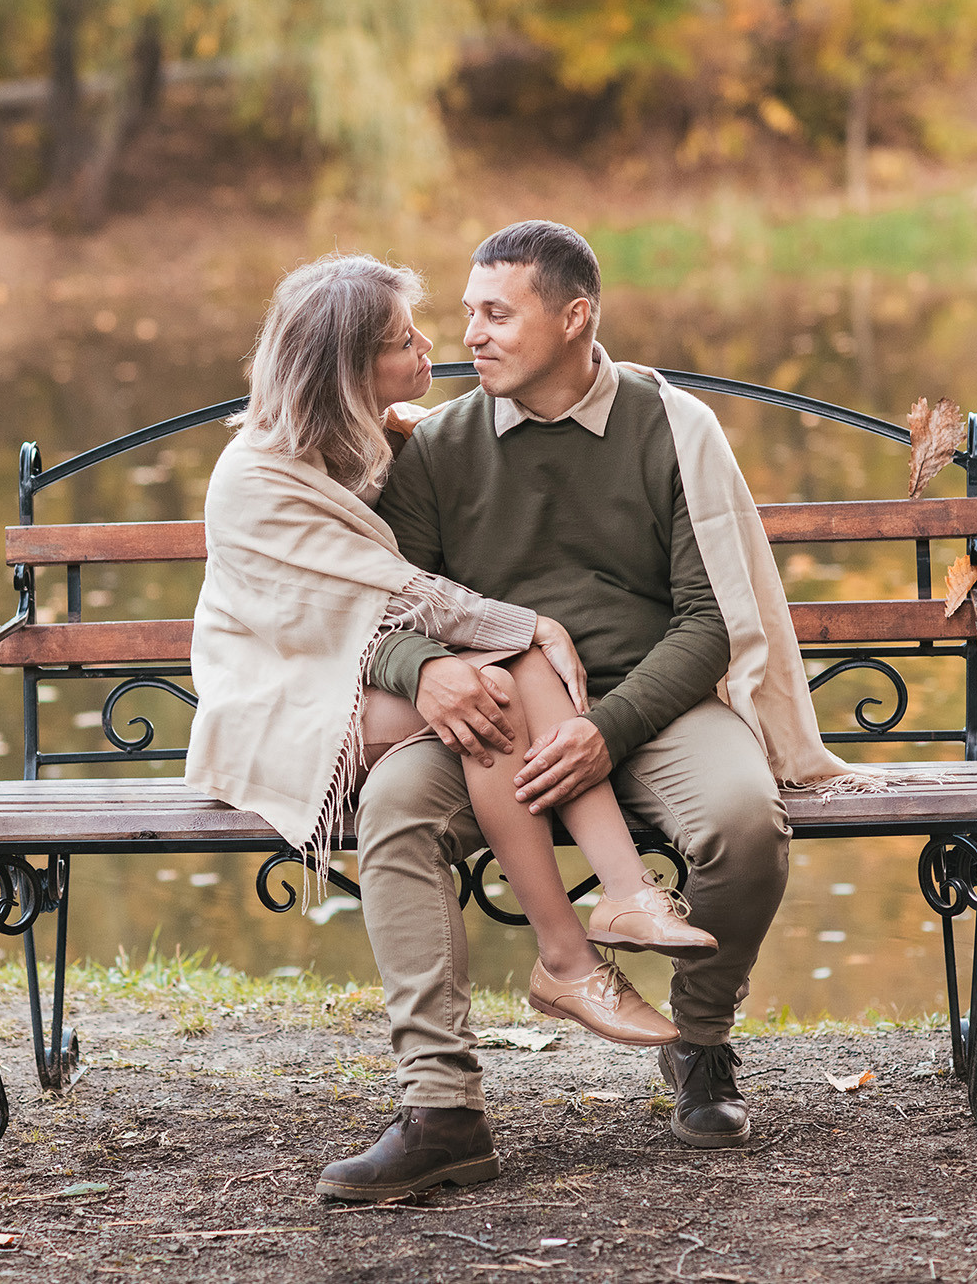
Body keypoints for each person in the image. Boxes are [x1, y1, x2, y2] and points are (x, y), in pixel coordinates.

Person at [317, 220, 870, 1202]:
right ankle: (439, 1109)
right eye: (464, 313)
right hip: (493, 722)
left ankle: (698, 1043)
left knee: (745, 823)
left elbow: (709, 625)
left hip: (650, 706)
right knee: (394, 809)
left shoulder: (672, 427)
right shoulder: (438, 446)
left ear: (574, 318)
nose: (470, 335)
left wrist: (602, 732)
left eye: (495, 312)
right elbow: (374, 612)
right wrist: (427, 672)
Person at [185, 254, 719, 1070]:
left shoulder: (364, 440)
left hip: (353, 678)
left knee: (503, 677)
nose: (436, 345)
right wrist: (533, 623)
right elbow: (396, 596)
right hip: (281, 697)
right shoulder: (259, 481)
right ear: (347, 370)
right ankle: (567, 958)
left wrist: (519, 633)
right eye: (404, 340)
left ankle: (626, 896)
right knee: (495, 693)